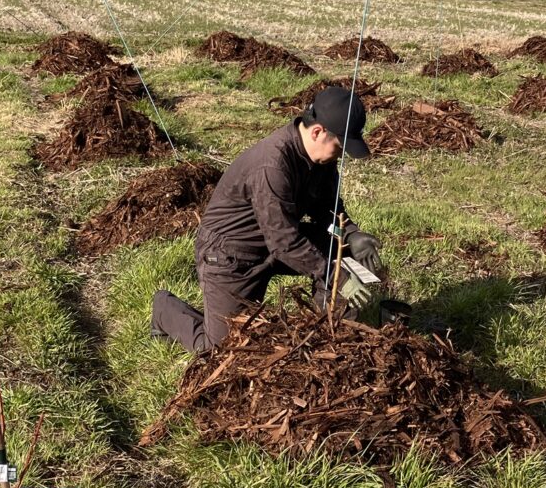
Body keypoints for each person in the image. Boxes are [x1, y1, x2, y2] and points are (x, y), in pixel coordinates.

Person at [151, 86, 383, 353]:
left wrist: (350, 233)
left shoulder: (321, 159)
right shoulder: (272, 165)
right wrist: (335, 276)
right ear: (317, 132)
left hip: (277, 239)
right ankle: (164, 309)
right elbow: (284, 241)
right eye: (339, 147)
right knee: (222, 348)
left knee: (342, 251)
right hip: (230, 255)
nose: (340, 155)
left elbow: (326, 206)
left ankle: (331, 331)